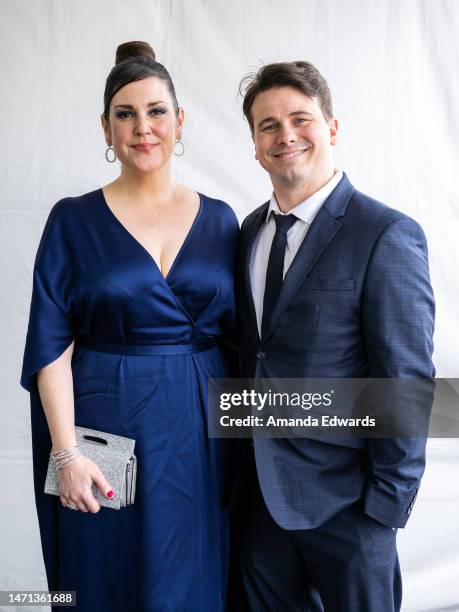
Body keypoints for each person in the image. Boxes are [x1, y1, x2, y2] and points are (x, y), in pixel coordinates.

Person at [21, 41, 239, 612]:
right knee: (103, 573)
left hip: (200, 432)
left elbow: (249, 341)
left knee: (191, 577)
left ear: (180, 120)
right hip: (104, 426)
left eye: (157, 111)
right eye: (126, 114)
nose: (143, 128)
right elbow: (50, 348)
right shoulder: (72, 220)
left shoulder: (221, 220)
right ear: (106, 128)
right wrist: (66, 455)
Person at [231, 61, 435, 611]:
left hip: (349, 510)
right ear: (254, 144)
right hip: (258, 506)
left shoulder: (385, 234)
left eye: (301, 118)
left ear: (332, 128)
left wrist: (384, 510)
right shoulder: (246, 232)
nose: (285, 135)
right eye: (267, 125)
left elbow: (407, 383)